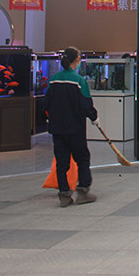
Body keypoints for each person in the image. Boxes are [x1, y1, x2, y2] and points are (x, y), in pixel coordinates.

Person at [43, 47, 99, 207]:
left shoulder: (53, 80)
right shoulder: (79, 81)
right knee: (82, 158)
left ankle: (64, 195)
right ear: (77, 59)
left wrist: (49, 118)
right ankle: (83, 191)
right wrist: (94, 118)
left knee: (62, 162)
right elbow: (86, 105)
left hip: (57, 128)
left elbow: (46, 103)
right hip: (75, 128)